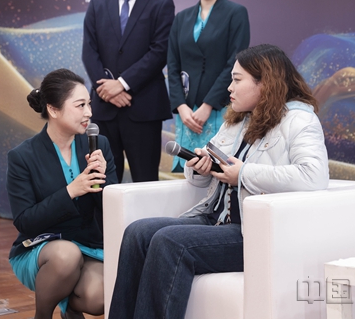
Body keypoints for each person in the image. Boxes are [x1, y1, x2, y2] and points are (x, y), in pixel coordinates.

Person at [108, 44, 329, 319]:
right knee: (137, 233)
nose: (229, 88)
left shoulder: (300, 120)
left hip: (252, 233)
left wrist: (244, 174)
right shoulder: (237, 119)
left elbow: (313, 176)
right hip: (214, 219)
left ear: (265, 83)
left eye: (237, 80)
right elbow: (204, 176)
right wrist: (201, 167)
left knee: (168, 241)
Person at [6, 69, 118, 319]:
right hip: (41, 248)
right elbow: (25, 221)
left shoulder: (99, 145)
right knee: (66, 255)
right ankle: (42, 315)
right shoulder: (23, 157)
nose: (89, 113)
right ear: (53, 110)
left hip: (88, 245)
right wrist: (70, 191)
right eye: (80, 105)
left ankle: (70, 309)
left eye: (89, 104)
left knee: (100, 297)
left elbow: (113, 210)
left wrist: (103, 180)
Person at [82, 0, 175, 183]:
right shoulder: (97, 4)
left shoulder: (161, 4)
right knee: (102, 180)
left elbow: (159, 52)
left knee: (145, 181)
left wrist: (122, 84)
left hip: (143, 107)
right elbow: (89, 52)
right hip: (104, 108)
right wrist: (107, 90)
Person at [168, 0, 250, 172]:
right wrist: (181, 107)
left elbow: (235, 64)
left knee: (217, 170)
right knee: (188, 172)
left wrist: (207, 105)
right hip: (187, 112)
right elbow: (173, 66)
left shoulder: (236, 13)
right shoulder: (181, 18)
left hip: (218, 107)